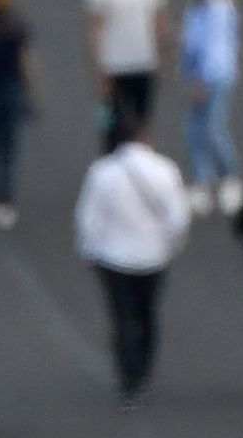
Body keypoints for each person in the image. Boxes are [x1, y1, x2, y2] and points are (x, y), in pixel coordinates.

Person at [77, 112, 194, 399]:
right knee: (147, 315)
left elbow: (89, 219)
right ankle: (143, 370)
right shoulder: (165, 170)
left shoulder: (102, 172)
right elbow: (178, 217)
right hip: (153, 257)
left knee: (121, 317)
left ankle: (127, 375)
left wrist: (89, 251)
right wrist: (171, 246)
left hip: (113, 258)